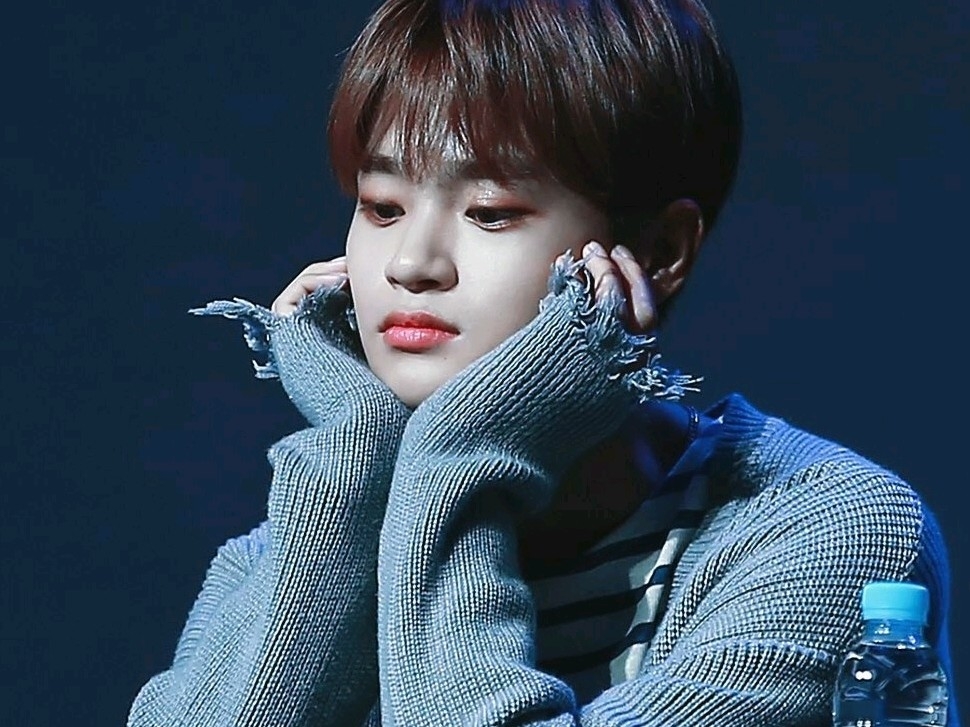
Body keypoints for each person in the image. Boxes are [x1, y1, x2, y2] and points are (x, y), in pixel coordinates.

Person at [128, 0, 958, 725]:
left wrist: (460, 456)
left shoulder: (825, 529)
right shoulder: (288, 555)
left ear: (660, 250)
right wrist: (354, 450)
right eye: (381, 206)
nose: (412, 263)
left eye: (491, 212)